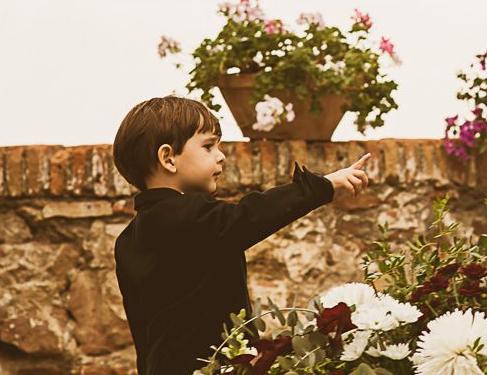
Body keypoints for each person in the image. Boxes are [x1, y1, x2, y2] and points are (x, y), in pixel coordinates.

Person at [111, 95, 370, 375]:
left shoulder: (127, 240)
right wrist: (320, 186)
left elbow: (143, 332)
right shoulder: (189, 214)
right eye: (208, 146)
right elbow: (250, 216)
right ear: (168, 158)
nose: (221, 155)